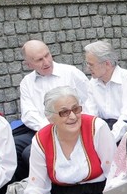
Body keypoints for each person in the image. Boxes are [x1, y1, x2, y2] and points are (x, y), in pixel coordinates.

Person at [15, 40, 95, 168]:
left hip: (72, 127)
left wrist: (79, 125)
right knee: (14, 146)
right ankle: (29, 179)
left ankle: (54, 179)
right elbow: (28, 114)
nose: (46, 62)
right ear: (28, 65)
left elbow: (90, 101)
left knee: (29, 152)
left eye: (47, 55)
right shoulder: (27, 82)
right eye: (39, 60)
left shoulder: (70, 72)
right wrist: (49, 130)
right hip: (42, 129)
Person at [83, 40, 127, 139]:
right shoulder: (93, 82)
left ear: (107, 64)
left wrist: (110, 139)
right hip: (102, 132)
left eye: (91, 64)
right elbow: (90, 115)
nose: (87, 69)